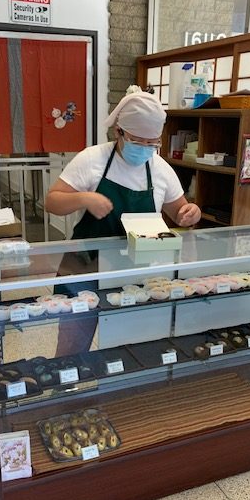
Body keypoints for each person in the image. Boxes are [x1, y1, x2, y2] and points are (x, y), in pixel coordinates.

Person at [44, 88, 201, 356]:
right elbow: (52, 201)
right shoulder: (92, 159)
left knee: (129, 347)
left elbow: (179, 212)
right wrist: (84, 198)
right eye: (138, 142)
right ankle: (67, 391)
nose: (145, 150)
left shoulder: (160, 169)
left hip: (135, 271)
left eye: (152, 143)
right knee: (73, 345)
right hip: (85, 268)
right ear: (119, 131)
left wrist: (191, 212)